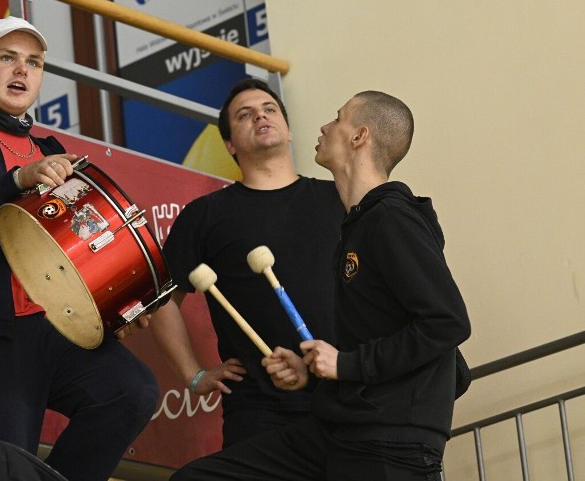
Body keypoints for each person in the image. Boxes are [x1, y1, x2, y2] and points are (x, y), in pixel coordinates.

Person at [171, 91, 471, 480]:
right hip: (344, 430)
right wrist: (310, 369)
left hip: (390, 441)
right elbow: (374, 330)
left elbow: (448, 323)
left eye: (338, 118)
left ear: (359, 137)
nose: (324, 126)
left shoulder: (392, 218)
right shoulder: (355, 226)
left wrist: (344, 364)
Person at [0, 17, 159, 481]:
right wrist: (16, 182)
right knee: (4, 473)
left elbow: (81, 248)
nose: (21, 71)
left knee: (132, 391)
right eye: (7, 58)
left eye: (33, 62)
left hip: (55, 330)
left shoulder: (52, 147)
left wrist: (116, 306)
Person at [150, 78, 344, 447]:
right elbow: (160, 301)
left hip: (347, 394)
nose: (260, 116)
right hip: (260, 409)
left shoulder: (336, 197)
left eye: (269, 109)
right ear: (229, 144)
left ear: (287, 131)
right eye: (245, 115)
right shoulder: (205, 215)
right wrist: (193, 375)